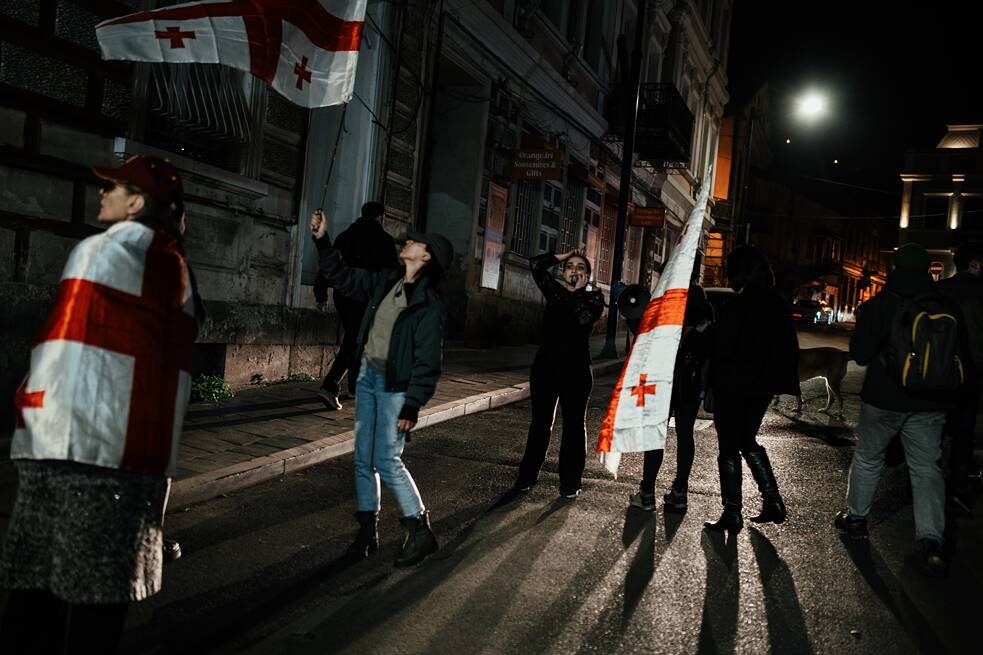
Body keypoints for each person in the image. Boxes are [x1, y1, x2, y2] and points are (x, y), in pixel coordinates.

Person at [0, 155, 202, 652]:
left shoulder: (104, 251)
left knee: (38, 594)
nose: (102, 194)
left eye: (113, 187)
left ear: (139, 202)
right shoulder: (174, 264)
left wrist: (27, 406)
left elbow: (64, 351)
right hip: (127, 454)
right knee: (97, 601)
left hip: (71, 446)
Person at [310, 209, 452, 567]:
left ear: (427, 257)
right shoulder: (386, 280)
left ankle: (420, 531)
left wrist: (412, 406)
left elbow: (428, 365)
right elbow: (342, 277)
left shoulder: (427, 306)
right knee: (362, 459)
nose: (407, 242)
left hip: (395, 388)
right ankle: (366, 533)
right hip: (368, 380)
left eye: (415, 242)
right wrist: (323, 240)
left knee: (387, 460)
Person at [835, 243, 958, 577]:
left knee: (869, 457)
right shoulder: (945, 305)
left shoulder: (878, 305)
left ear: (895, 268)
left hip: (884, 398)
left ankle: (857, 519)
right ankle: (932, 540)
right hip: (931, 402)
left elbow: (861, 355)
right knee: (926, 468)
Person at [705, 246, 799, 533]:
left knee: (729, 447)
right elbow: (788, 349)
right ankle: (772, 500)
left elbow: (721, 347)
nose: (728, 278)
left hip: (733, 385)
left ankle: (733, 512)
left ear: (742, 273)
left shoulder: (739, 304)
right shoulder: (779, 303)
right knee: (747, 440)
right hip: (762, 387)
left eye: (730, 272)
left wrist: (707, 333)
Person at [513, 249, 605, 498]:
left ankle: (570, 483)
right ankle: (527, 477)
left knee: (574, 426)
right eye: (570, 267)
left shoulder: (594, 300)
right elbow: (536, 264)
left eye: (580, 268)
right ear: (563, 272)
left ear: (587, 276)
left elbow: (578, 320)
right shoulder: (555, 292)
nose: (574, 271)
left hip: (575, 370)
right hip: (545, 367)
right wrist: (564, 256)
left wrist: (576, 291)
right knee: (540, 425)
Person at [629, 283, 714, 512]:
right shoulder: (702, 304)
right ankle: (679, 493)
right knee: (686, 434)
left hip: (664, 379)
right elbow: (709, 350)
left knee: (657, 434)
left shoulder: (668, 297)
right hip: (691, 381)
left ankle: (647, 493)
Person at [314, 201, 398, 410]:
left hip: (343, 296)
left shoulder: (345, 236)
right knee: (355, 340)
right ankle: (330, 387)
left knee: (355, 338)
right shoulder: (384, 240)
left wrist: (321, 293)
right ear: (381, 217)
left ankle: (353, 387)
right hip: (366, 297)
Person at [936, 241, 983, 514]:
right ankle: (956, 487)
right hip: (971, 373)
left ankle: (923, 484)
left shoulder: (939, 289)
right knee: (964, 434)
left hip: (938, 371)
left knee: (934, 430)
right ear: (975, 263)